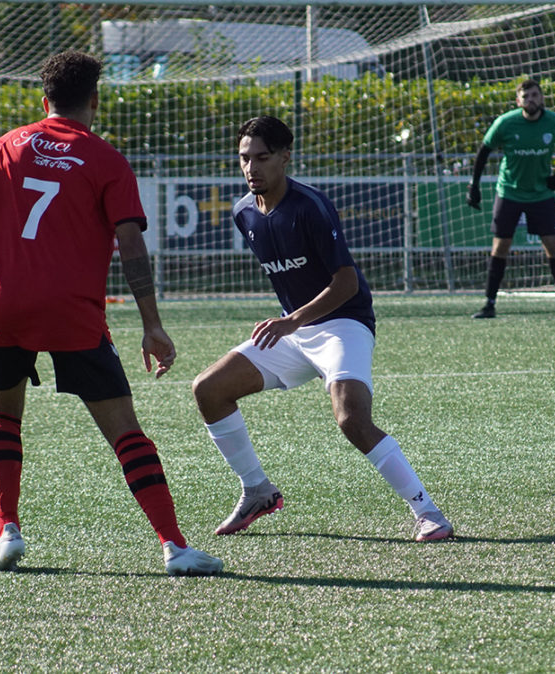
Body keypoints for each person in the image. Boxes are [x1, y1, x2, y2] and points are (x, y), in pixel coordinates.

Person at [0, 50, 222, 575]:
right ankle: (174, 546)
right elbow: (131, 247)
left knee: (4, 414)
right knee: (125, 431)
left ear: (43, 99)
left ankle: (7, 530)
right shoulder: (106, 160)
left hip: (4, 304)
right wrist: (151, 324)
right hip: (73, 312)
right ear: (94, 100)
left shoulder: (1, 148)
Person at [192, 116, 453, 542]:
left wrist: (291, 320)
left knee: (351, 418)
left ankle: (428, 512)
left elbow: (345, 283)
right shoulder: (243, 212)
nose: (251, 168)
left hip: (343, 324)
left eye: (261, 158)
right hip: (294, 332)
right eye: (244, 158)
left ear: (284, 157)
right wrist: (291, 324)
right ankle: (257, 490)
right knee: (208, 389)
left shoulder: (309, 205)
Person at [466, 79, 555, 319]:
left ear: (541, 98)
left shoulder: (554, 122)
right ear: (518, 101)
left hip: (540, 193)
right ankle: (489, 303)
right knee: (501, 246)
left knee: (552, 244)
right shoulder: (506, 123)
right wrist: (474, 185)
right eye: (525, 96)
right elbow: (484, 151)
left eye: (534, 95)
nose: (530, 100)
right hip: (509, 191)